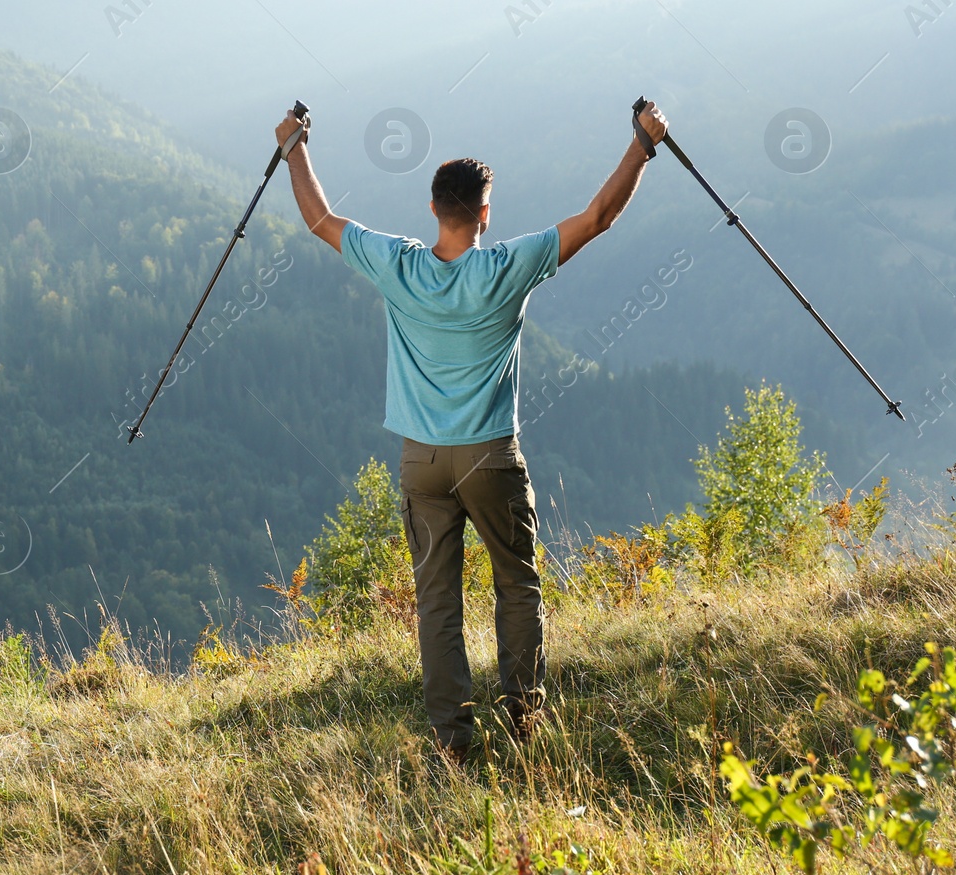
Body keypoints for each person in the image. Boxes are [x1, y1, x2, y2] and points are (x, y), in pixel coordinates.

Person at [273, 99, 668, 761]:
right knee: (517, 582)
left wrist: (293, 145)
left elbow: (318, 217)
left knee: (437, 601)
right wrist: (642, 144)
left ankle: (453, 742)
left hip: (421, 460)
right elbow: (598, 217)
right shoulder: (507, 268)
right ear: (485, 213)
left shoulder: (396, 264)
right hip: (489, 456)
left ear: (433, 209)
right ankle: (522, 720)